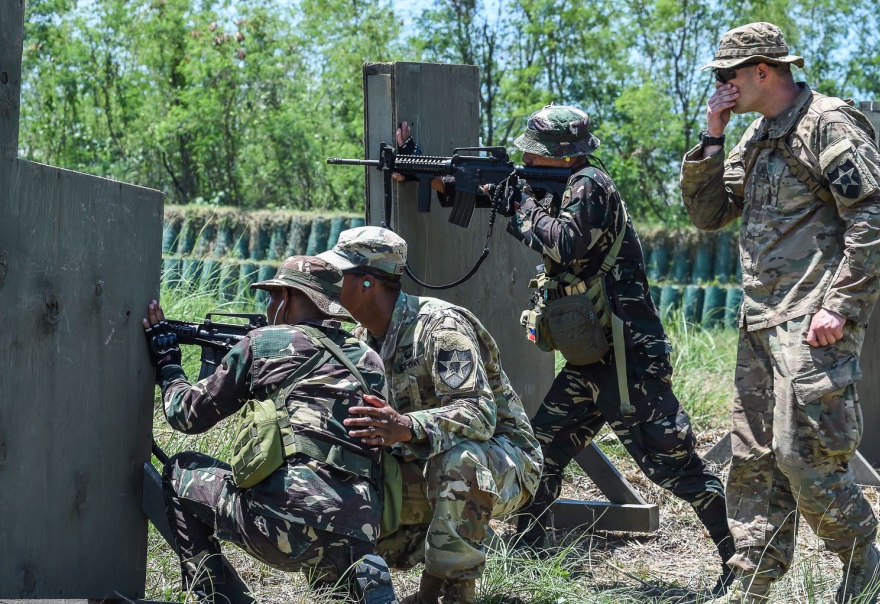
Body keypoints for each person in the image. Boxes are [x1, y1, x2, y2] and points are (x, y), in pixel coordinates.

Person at [679, 22, 880, 604]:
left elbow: (878, 218)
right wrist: (711, 137)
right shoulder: (755, 134)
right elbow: (709, 214)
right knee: (753, 464)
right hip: (760, 321)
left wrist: (841, 306)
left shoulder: (828, 122)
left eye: (729, 75)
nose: (723, 85)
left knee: (804, 459)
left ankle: (864, 563)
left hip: (812, 321)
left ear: (762, 71)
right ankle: (753, 582)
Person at [491, 104, 735, 593]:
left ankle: (742, 560)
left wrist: (516, 202)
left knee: (674, 463)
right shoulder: (563, 186)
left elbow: (564, 243)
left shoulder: (589, 186)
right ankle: (526, 552)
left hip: (627, 358)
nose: (525, 156)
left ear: (559, 156)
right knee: (544, 450)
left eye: (534, 151)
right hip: (591, 357)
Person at [142, 256, 399, 604]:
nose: (269, 305)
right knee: (330, 581)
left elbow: (186, 415)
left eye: (272, 296)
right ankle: (356, 581)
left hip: (283, 524)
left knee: (180, 470)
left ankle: (208, 597)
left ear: (288, 296)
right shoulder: (369, 360)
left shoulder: (264, 343)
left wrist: (169, 362)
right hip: (359, 529)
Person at [315, 226, 543, 604]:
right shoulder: (359, 340)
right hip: (423, 462)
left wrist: (405, 426)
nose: (329, 283)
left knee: (459, 461)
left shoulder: (441, 328)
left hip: (504, 461)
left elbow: (479, 415)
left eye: (339, 275)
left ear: (368, 283)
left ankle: (447, 592)